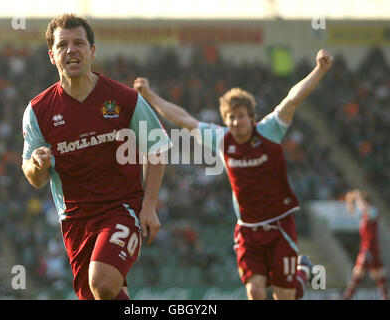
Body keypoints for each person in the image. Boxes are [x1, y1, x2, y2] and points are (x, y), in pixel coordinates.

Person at [133, 49, 333, 300]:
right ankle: (296, 272)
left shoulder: (270, 130)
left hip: (279, 225)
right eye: (230, 118)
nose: (236, 122)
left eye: (240, 117)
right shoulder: (221, 139)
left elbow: (293, 98)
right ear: (225, 120)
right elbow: (183, 119)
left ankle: (302, 270)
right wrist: (149, 95)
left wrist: (320, 70)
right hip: (247, 230)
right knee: (255, 292)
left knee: (285, 296)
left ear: (251, 117)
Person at [21, 13, 171, 300]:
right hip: (74, 221)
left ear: (92, 51)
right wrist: (37, 164)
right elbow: (35, 177)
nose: (71, 50)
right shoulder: (38, 111)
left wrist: (149, 206)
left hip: (121, 209)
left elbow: (157, 147)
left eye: (79, 43)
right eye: (63, 45)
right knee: (102, 294)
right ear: (52, 55)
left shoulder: (123, 98)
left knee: (102, 282)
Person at [343, 189, 388, 300]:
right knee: (377, 274)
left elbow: (363, 208)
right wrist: (349, 200)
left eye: (361, 202)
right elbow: (351, 212)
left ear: (366, 202)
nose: (359, 205)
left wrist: (357, 197)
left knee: (358, 272)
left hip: (369, 247)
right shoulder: (363, 216)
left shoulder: (373, 211)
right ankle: (385, 296)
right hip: (369, 247)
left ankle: (347, 296)